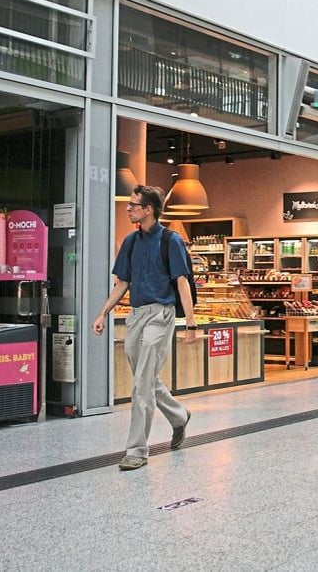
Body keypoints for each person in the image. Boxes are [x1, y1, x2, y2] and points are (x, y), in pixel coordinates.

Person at [91, 185, 197, 471]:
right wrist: (103, 313)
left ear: (148, 209)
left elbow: (182, 282)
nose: (127, 208)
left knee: (140, 386)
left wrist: (190, 322)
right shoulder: (130, 242)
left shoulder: (170, 240)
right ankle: (179, 416)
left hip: (160, 315)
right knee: (145, 378)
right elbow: (122, 283)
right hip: (136, 316)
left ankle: (137, 450)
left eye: (133, 205)